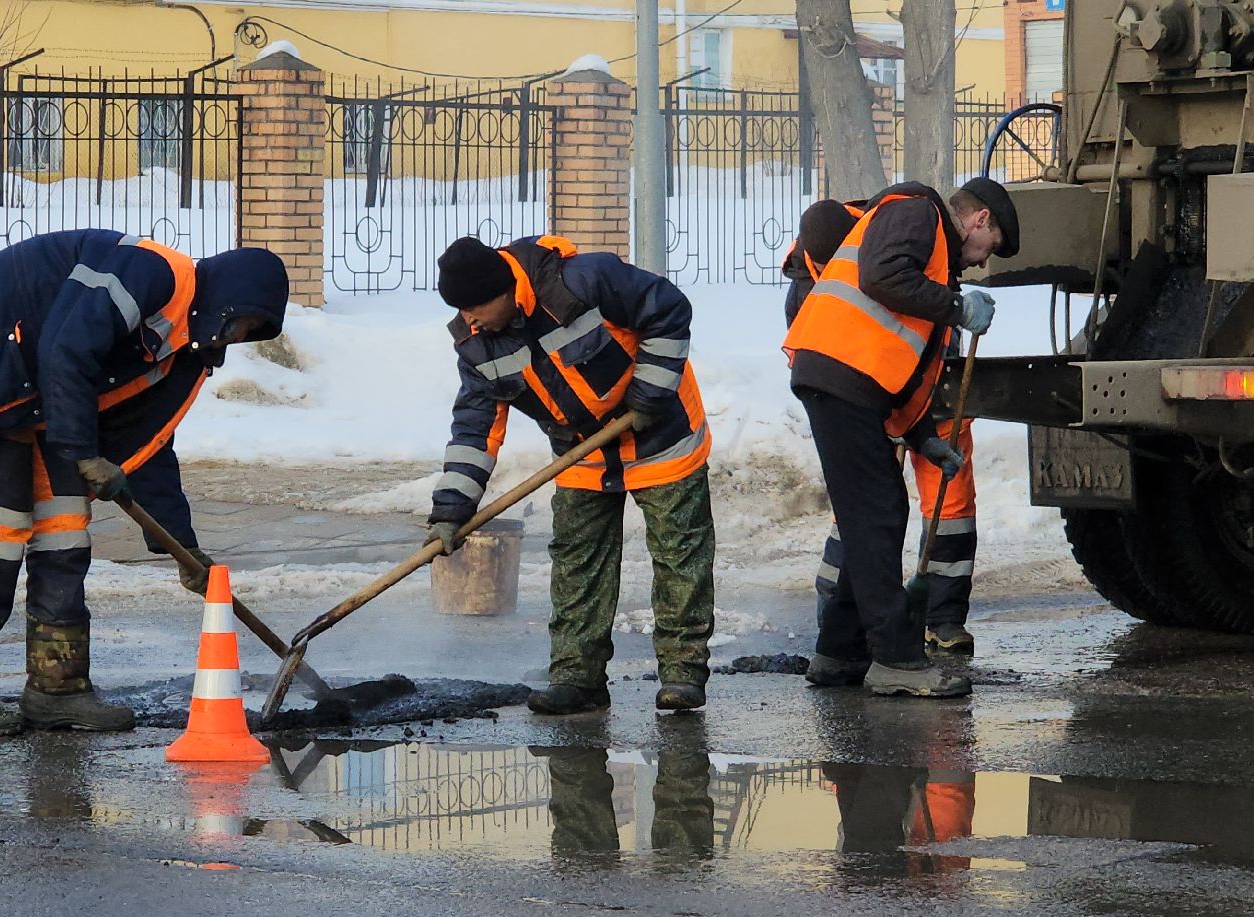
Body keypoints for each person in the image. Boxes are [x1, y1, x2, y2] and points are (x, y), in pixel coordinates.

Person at [0, 231, 288, 737]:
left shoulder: (183, 352)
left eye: (251, 332)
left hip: (47, 396)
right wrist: (85, 452)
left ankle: (56, 689)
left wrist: (180, 545)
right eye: (244, 321)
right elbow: (67, 346)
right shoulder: (152, 273)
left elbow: (152, 443)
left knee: (64, 534)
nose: (238, 336)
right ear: (229, 296)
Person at [430, 234, 717, 715]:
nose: (470, 320)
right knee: (577, 566)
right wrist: (451, 509)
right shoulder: (476, 345)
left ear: (505, 291)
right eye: (461, 310)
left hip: (660, 432)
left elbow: (668, 310)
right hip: (582, 450)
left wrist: (648, 394)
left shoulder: (581, 280)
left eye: (476, 306)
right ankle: (576, 678)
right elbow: (475, 430)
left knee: (678, 556)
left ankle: (683, 675)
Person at [781, 177, 1018, 696]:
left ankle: (838, 653)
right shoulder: (919, 212)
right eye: (990, 248)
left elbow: (900, 364)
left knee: (877, 511)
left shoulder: (932, 255)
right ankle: (896, 661)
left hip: (847, 382)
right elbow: (881, 276)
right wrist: (956, 308)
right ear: (979, 221)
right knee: (878, 516)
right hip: (839, 377)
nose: (982, 263)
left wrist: (919, 436)